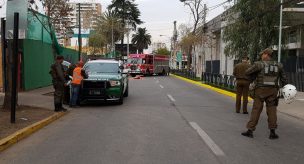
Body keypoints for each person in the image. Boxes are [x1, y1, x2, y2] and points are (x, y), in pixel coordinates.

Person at [241, 48, 287, 139]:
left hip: (260, 91)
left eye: (263, 54)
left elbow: (247, 72)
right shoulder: (279, 65)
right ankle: (272, 132)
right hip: (273, 91)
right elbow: (284, 79)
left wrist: (254, 77)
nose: (261, 56)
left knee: (256, 110)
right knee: (272, 111)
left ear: (266, 54)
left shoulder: (259, 64)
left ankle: (250, 130)